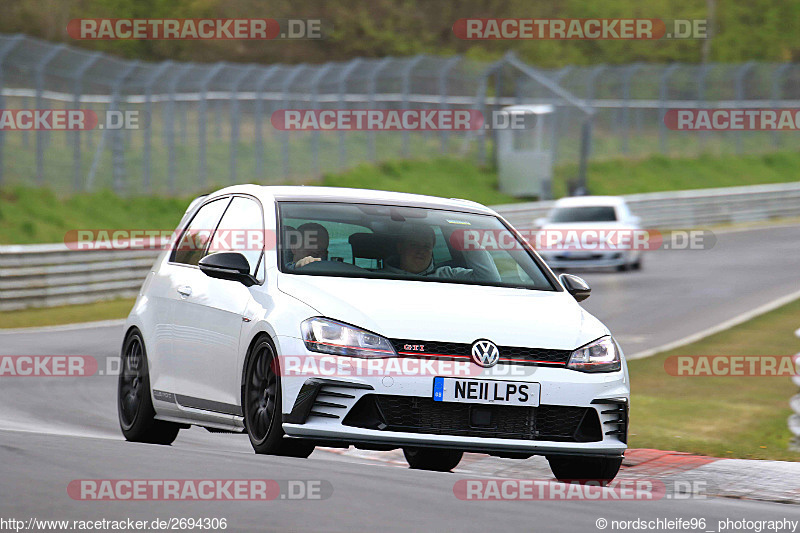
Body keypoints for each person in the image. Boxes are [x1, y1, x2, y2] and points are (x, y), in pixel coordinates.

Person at [383, 223, 500, 282]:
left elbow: (491, 279)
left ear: (432, 249)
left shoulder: (450, 276)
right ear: (401, 248)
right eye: (414, 245)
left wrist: (463, 235)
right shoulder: (378, 278)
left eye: (426, 246)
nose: (421, 251)